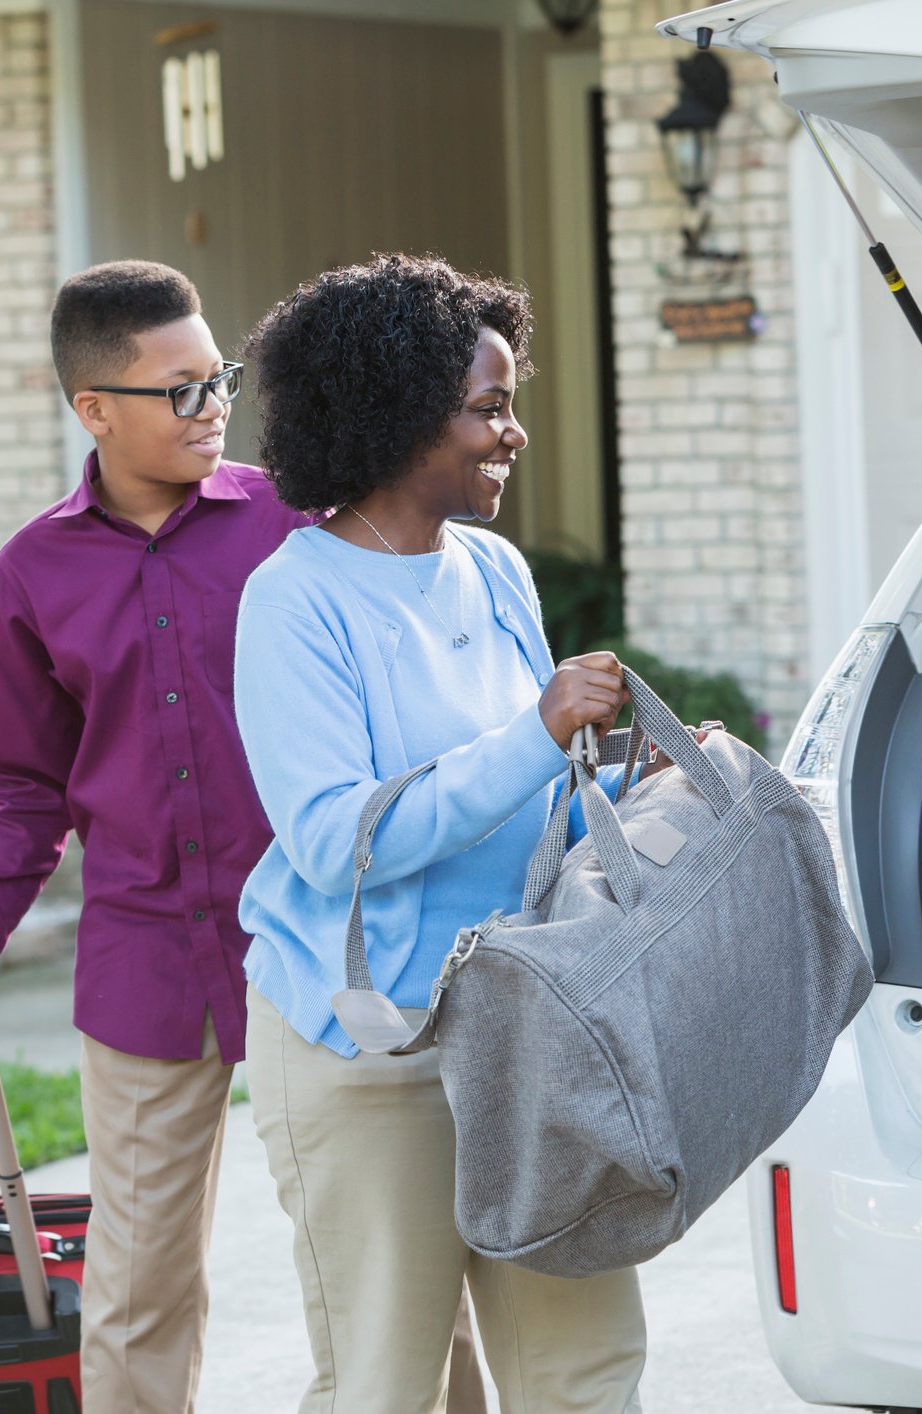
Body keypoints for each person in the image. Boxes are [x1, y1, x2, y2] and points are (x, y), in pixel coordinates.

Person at [0, 260, 308, 1413]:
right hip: (144, 963)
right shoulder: (36, 568)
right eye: (178, 389)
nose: (212, 404)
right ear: (94, 408)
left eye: (217, 377)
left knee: (371, 1271)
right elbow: (23, 791)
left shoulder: (295, 518)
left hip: (316, 945)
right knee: (135, 1290)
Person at [231, 253, 650, 1413]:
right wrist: (536, 730)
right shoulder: (295, 599)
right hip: (370, 1051)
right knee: (385, 1382)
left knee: (583, 1362)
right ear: (400, 414)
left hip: (524, 1032)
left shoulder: (495, 568)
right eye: (489, 408)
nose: (513, 433)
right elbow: (330, 839)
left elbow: (538, 792)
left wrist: (623, 772)